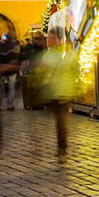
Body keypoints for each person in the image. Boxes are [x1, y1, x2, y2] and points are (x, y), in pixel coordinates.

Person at [35, 32, 78, 163]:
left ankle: (62, 150)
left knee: (61, 123)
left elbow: (76, 70)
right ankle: (61, 148)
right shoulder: (48, 54)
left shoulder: (68, 54)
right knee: (58, 123)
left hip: (64, 92)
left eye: (53, 38)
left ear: (60, 39)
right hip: (52, 92)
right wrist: (41, 68)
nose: (50, 41)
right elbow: (40, 72)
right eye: (49, 38)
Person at [0, 32, 21, 110]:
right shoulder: (16, 45)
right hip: (11, 68)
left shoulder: (0, 45)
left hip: (1, 68)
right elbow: (17, 56)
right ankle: (10, 105)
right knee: (11, 87)